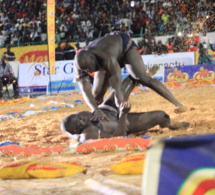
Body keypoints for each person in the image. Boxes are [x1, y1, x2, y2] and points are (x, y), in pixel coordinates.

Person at [74, 31, 187, 121]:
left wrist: (121, 111)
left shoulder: (106, 58)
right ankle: (101, 115)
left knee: (141, 78)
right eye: (87, 70)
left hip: (124, 46)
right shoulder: (80, 64)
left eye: (91, 68)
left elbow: (117, 88)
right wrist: (95, 109)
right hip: (107, 55)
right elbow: (86, 91)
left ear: (92, 59)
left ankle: (178, 104)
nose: (89, 71)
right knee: (97, 94)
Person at [61, 75, 189, 142]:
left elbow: (68, 131)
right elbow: (119, 137)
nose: (80, 115)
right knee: (161, 115)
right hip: (124, 121)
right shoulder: (91, 134)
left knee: (130, 78)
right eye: (79, 119)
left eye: (77, 115)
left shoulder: (74, 123)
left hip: (107, 106)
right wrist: (123, 114)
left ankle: (140, 79)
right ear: (79, 128)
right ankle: (171, 124)